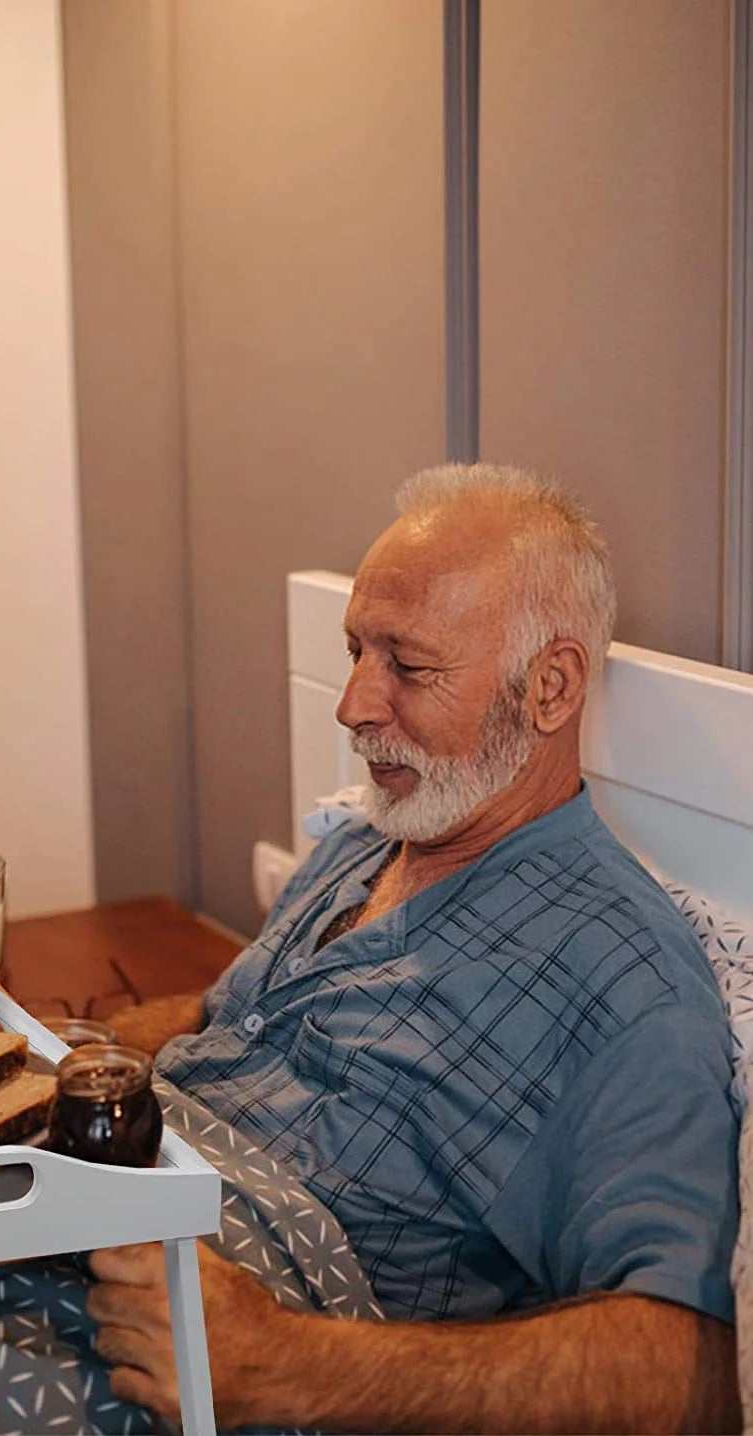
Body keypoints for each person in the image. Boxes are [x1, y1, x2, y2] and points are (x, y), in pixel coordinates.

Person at [93, 463, 740, 1432]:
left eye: (407, 663)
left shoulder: (621, 988)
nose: (353, 703)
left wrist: (284, 1364)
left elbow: (683, 1378)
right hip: (89, 1232)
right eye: (356, 650)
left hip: (177, 1370)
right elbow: (235, 1027)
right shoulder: (374, 837)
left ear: (551, 686)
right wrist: (64, 1053)